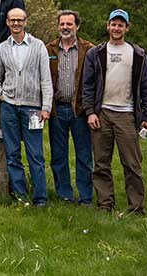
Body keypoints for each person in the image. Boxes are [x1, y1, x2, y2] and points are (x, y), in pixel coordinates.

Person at [83, 9, 147, 215]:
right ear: (108, 26)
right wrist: (90, 112)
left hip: (128, 115)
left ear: (127, 28)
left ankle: (136, 208)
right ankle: (105, 204)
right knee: (101, 163)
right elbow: (87, 86)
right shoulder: (95, 53)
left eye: (120, 25)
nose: (116, 28)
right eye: (113, 24)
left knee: (132, 164)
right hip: (102, 113)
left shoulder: (138, 54)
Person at [0, 8, 52, 206]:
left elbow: (46, 79)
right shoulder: (2, 48)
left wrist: (46, 107)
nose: (16, 23)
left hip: (33, 109)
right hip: (9, 107)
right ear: (8, 23)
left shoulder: (38, 46)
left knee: (35, 154)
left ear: (25, 22)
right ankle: (20, 196)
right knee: (12, 154)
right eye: (12, 20)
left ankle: (40, 198)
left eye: (20, 20)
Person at [46, 10, 95, 205]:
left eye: (69, 24)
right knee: (59, 155)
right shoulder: (49, 49)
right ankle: (64, 195)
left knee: (84, 155)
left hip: (80, 110)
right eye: (62, 24)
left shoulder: (88, 49)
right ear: (58, 26)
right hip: (58, 109)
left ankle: (85, 197)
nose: (65, 27)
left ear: (77, 26)